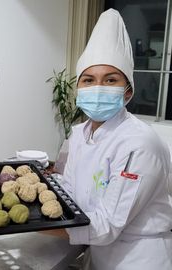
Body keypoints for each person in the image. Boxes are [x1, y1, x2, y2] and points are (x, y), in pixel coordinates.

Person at [45, 9, 172, 269]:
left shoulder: (139, 143)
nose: (98, 88)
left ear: (127, 93)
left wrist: (28, 225)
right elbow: (69, 190)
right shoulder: (80, 134)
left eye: (110, 80)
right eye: (89, 80)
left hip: (139, 258)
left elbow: (107, 225)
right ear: (78, 90)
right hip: (99, 255)